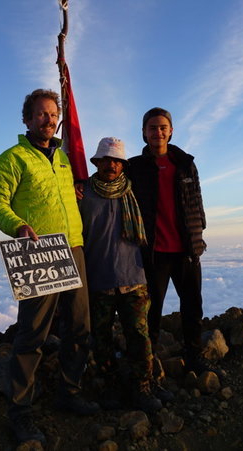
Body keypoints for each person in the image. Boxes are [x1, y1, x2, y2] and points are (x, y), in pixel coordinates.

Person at [0, 89, 98, 445]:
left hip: (74, 247)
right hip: (40, 254)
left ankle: (69, 391)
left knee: (79, 327)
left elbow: (67, 197)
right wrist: (17, 225)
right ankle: (20, 411)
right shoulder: (12, 159)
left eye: (53, 115)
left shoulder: (63, 159)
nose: (48, 120)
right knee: (32, 334)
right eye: (40, 114)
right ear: (27, 119)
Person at [79, 137, 163, 413]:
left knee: (139, 335)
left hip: (133, 277)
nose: (111, 165)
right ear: (97, 162)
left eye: (116, 160)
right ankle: (109, 384)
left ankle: (143, 386)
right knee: (101, 338)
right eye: (105, 159)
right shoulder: (82, 194)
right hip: (98, 278)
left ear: (123, 165)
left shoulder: (134, 191)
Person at [128, 107, 209, 374]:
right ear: (143, 133)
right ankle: (147, 363)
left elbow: (196, 200)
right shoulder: (135, 167)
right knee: (151, 311)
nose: (158, 132)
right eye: (152, 128)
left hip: (186, 250)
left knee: (192, 306)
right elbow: (112, 187)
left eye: (162, 127)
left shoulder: (185, 163)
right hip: (153, 253)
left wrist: (198, 235)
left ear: (171, 131)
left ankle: (194, 354)